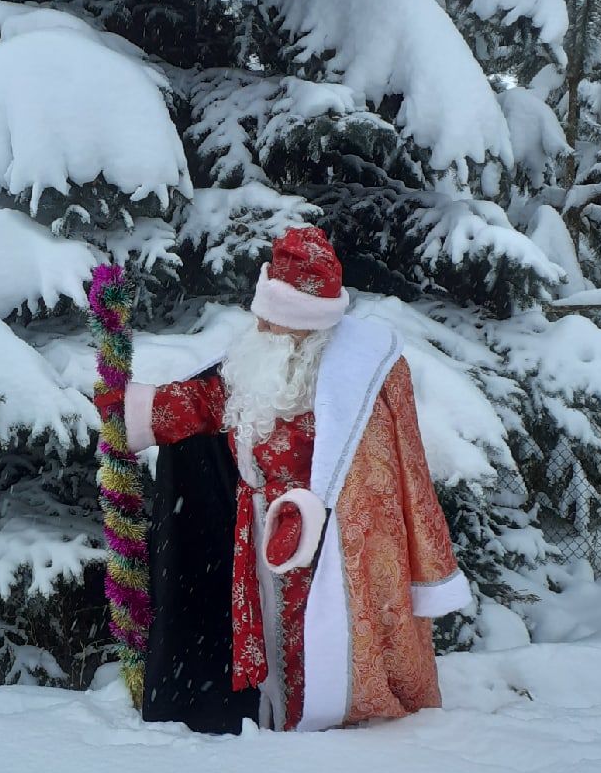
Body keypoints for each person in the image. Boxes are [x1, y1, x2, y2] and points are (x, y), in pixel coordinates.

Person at [101, 226, 471, 734]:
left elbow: (388, 471)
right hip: (253, 532)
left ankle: (311, 724)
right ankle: (272, 718)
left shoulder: (352, 382)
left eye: (272, 320)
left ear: (302, 325)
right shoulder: (251, 367)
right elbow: (207, 404)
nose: (260, 326)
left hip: (326, 545)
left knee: (312, 640)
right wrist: (128, 412)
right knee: (268, 634)